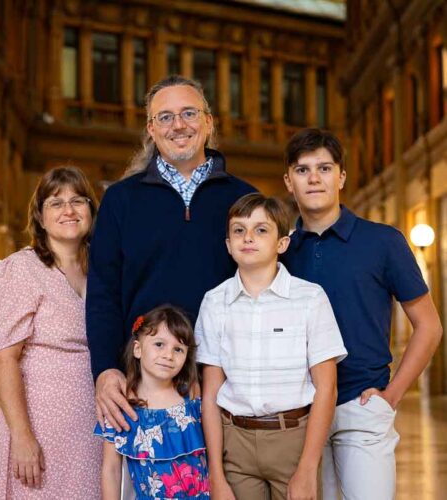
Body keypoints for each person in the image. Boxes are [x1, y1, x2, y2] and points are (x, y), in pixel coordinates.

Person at [86, 75, 256, 433]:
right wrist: (104, 370)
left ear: (208, 122)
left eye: (189, 113)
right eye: (165, 117)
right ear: (151, 128)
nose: (178, 125)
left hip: (230, 384)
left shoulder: (243, 200)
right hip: (144, 386)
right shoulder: (120, 200)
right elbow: (103, 294)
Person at [281, 128, 443, 499]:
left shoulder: (383, 241)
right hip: (301, 411)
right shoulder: (281, 253)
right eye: (303, 170)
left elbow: (429, 326)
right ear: (289, 182)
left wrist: (393, 394)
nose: (314, 178)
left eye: (324, 168)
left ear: (341, 176)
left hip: (362, 405)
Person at [196, 193, 347, 500]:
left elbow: (327, 387)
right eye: (239, 230)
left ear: (282, 243)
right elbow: (210, 394)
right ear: (228, 244)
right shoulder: (214, 302)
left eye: (261, 230)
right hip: (234, 442)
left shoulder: (310, 298)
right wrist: (216, 473)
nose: (248, 237)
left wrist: (307, 467)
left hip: (292, 441)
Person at [0, 167, 102, 499]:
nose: (69, 210)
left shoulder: (102, 273)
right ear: (40, 218)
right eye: (56, 203)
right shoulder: (22, 269)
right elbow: (3, 359)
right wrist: (22, 436)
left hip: (90, 431)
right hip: (39, 427)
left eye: (78, 200)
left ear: (91, 210)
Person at [94, 305, 210, 499]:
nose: (168, 355)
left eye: (178, 349)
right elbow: (111, 471)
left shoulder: (193, 401)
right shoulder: (121, 409)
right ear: (138, 349)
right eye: (159, 344)